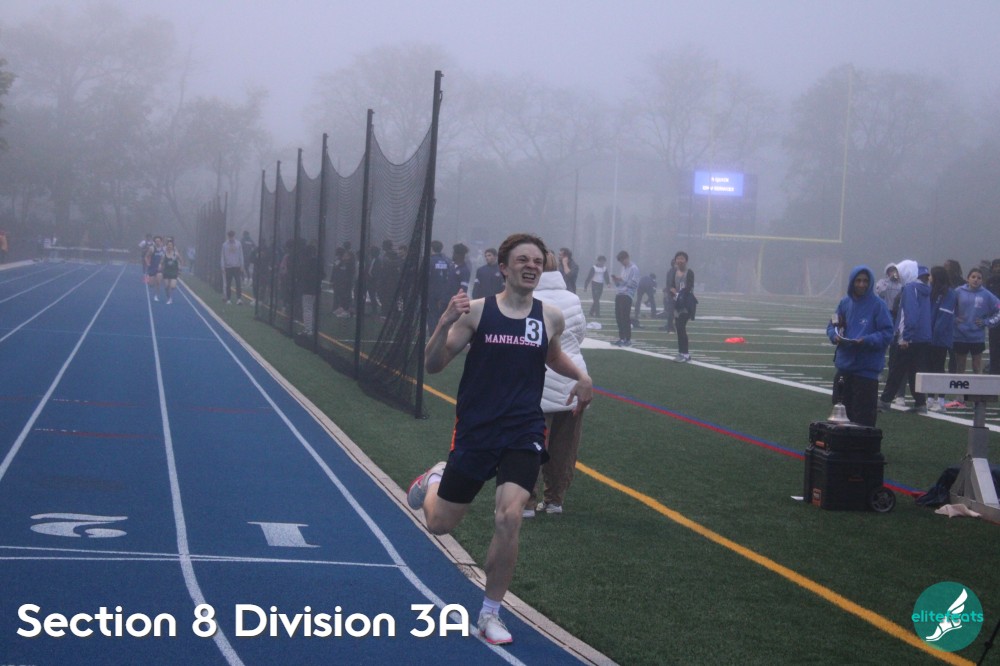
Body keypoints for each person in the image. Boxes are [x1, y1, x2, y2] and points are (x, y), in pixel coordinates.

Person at [406, 233, 593, 646]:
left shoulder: (550, 317)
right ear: (504, 269)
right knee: (439, 524)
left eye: (537, 261)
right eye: (522, 260)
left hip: (524, 429)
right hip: (477, 430)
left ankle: (490, 613)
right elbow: (434, 365)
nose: (531, 266)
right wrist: (443, 323)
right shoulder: (476, 312)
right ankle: (434, 478)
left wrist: (581, 376)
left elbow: (551, 355)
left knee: (510, 516)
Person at [523, 250, 588, 518]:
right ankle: (554, 501)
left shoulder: (526, 298)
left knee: (528, 444)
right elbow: (580, 335)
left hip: (534, 380)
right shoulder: (572, 299)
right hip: (573, 378)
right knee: (564, 448)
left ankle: (526, 502)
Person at [826, 266, 894, 427]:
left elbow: (887, 333)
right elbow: (831, 325)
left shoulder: (878, 305)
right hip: (844, 368)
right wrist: (834, 336)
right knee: (839, 418)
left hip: (866, 371)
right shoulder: (844, 303)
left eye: (865, 281)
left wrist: (867, 340)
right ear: (852, 282)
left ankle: (861, 444)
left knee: (863, 419)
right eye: (858, 280)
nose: (862, 284)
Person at [879, 265, 932, 414]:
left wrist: (905, 337)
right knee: (914, 370)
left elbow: (910, 313)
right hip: (922, 337)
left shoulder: (910, 288)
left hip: (909, 338)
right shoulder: (925, 289)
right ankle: (920, 403)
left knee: (896, 369)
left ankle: (885, 400)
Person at [952, 266, 1000, 376]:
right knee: (960, 366)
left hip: (977, 337)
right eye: (973, 277)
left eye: (979, 278)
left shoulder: (986, 294)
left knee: (977, 366)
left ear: (982, 280)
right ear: (968, 278)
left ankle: (978, 387)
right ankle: (960, 388)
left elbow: (998, 307)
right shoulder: (958, 292)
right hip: (960, 335)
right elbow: (949, 308)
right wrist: (954, 319)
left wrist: (987, 322)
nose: (976, 280)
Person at [926, 265, 957, 412]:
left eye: (931, 275)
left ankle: (941, 400)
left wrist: (933, 334)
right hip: (930, 336)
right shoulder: (932, 291)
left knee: (939, 368)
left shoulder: (949, 293)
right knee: (930, 368)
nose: (929, 278)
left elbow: (944, 317)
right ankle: (930, 398)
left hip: (940, 338)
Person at [668, 251, 696, 362]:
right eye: (678, 258)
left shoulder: (689, 272)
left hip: (686, 304)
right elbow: (671, 286)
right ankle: (681, 352)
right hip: (677, 304)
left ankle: (685, 354)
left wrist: (678, 293)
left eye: (682, 258)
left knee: (681, 327)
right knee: (679, 328)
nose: (680, 260)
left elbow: (689, 287)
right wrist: (673, 292)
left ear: (686, 260)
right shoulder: (674, 272)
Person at [611, 250, 639, 347]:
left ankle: (627, 339)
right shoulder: (623, 268)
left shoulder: (634, 268)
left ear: (627, 258)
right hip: (619, 293)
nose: (622, 263)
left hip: (627, 294)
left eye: (623, 260)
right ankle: (621, 338)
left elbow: (634, 283)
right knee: (618, 317)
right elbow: (620, 284)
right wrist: (616, 280)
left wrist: (622, 280)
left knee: (625, 317)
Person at [426, 240, 454, 333]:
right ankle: (443, 332)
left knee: (432, 313)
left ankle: (433, 333)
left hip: (431, 291)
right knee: (443, 313)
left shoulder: (429, 261)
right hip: (444, 292)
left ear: (431, 248)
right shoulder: (447, 261)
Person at [221, 230, 245, 305]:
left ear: (234, 236)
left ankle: (239, 299)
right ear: (228, 236)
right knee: (228, 284)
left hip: (237, 266)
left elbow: (241, 255)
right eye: (230, 236)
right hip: (228, 267)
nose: (231, 238)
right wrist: (222, 266)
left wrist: (242, 265)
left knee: (238, 283)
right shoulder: (225, 245)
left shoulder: (238, 244)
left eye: (232, 236)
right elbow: (222, 256)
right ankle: (228, 299)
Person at [988, 259, 1000, 375]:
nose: (998, 269)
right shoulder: (989, 281)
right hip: (994, 318)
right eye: (996, 266)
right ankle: (994, 370)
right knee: (994, 346)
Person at [160, 240, 182, 305]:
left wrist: (180, 267)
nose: (169, 246)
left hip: (174, 272)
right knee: (166, 287)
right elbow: (161, 262)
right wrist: (160, 265)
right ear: (166, 246)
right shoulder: (164, 254)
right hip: (166, 272)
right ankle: (169, 298)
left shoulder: (176, 254)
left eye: (171, 245)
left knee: (172, 286)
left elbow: (181, 260)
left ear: (173, 246)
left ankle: (170, 298)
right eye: (168, 245)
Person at [145, 236, 165, 302]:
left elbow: (163, 258)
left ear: (161, 241)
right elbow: (146, 256)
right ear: (154, 242)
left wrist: (161, 264)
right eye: (156, 241)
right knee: (151, 285)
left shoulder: (163, 249)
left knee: (158, 282)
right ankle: (147, 278)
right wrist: (147, 263)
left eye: (159, 241)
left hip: (159, 268)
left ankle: (156, 296)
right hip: (152, 267)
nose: (157, 242)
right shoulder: (152, 249)